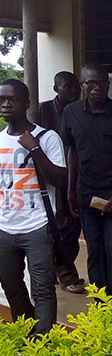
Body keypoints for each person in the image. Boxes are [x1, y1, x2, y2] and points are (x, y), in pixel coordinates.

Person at [62, 62, 112, 295]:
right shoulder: (71, 113)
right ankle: (101, 302)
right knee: (95, 250)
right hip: (86, 195)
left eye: (103, 83)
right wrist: (71, 191)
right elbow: (72, 151)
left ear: (109, 85)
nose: (98, 87)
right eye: (92, 83)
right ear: (82, 85)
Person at [0, 79, 67, 336]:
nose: (6, 105)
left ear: (26, 103)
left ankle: (42, 343)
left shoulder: (47, 137)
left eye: (12, 99)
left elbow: (60, 180)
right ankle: (27, 335)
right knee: (11, 287)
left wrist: (35, 148)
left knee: (42, 289)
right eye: (2, 100)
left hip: (37, 225)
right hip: (5, 227)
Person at [38, 71, 85, 294]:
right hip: (52, 178)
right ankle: (66, 274)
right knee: (57, 227)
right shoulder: (42, 111)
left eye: (77, 86)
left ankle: (60, 268)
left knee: (71, 227)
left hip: (76, 177)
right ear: (56, 89)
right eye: (68, 87)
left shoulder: (81, 110)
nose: (74, 91)